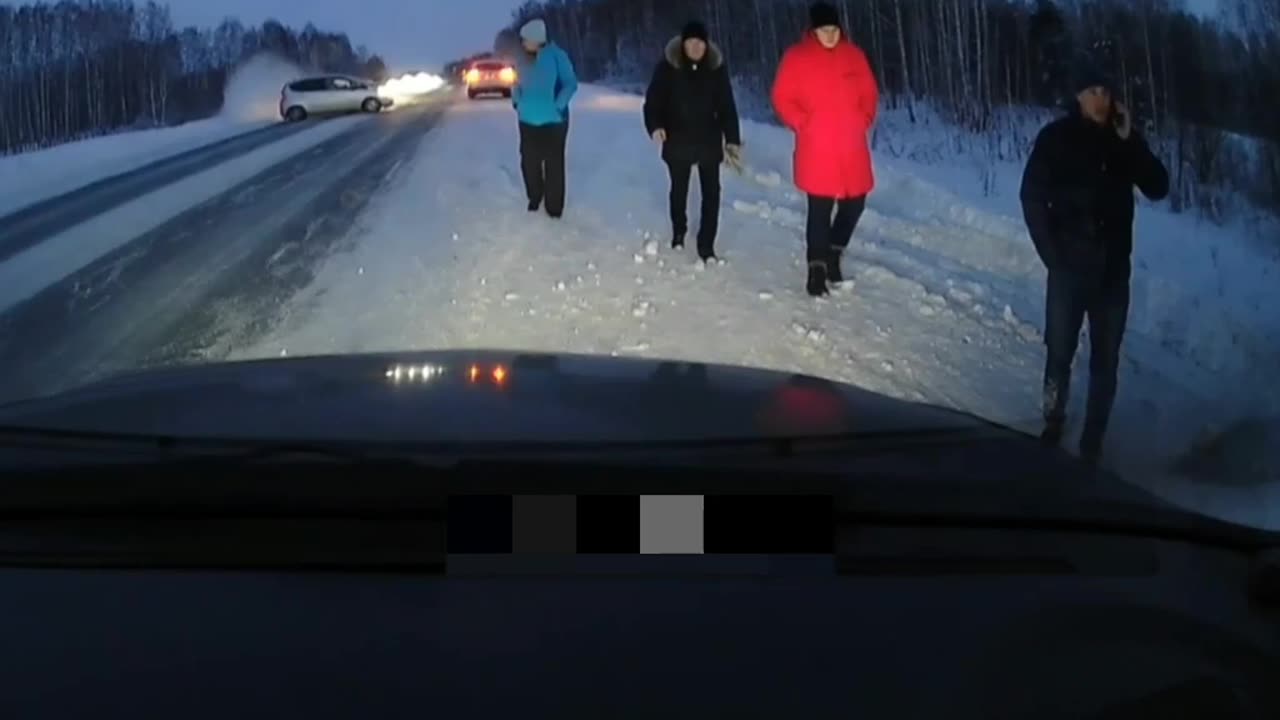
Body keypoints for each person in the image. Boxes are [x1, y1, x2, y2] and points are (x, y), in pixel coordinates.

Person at [1020, 62, 1169, 462]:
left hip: (1113, 273)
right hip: (1069, 269)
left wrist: (1131, 142)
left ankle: (1093, 442)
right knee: (1060, 351)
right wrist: (1052, 256)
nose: (1100, 100)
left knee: (1106, 362)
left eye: (1105, 92)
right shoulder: (1055, 139)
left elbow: (1159, 187)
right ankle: (1053, 419)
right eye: (1092, 93)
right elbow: (1031, 197)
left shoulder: (1123, 141)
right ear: (1078, 97)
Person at [771, 2, 879, 297]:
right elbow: (782, 97)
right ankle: (816, 270)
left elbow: (870, 92)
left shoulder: (854, 56)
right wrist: (802, 122)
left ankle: (834, 252)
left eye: (834, 29)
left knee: (855, 203)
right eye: (824, 30)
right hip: (816, 148)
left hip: (851, 147)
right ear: (813, 30)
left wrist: (864, 118)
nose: (830, 35)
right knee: (819, 209)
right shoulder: (797, 57)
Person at [642, 21, 742, 261]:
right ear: (683, 44)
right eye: (691, 42)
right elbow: (653, 102)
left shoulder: (715, 69)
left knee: (712, 193)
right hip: (677, 138)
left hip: (708, 139)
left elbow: (727, 106)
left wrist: (732, 140)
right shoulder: (668, 68)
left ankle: (706, 245)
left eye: (700, 43)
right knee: (679, 190)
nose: (696, 47)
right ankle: (679, 229)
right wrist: (655, 126)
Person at [512, 18, 579, 219]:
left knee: (554, 164)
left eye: (525, 40)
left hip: (554, 121)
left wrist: (559, 105)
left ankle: (554, 207)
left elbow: (570, 83)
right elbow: (515, 82)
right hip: (527, 120)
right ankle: (535, 196)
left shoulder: (558, 56)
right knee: (529, 162)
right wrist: (517, 101)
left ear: (536, 39)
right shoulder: (521, 59)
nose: (523, 43)